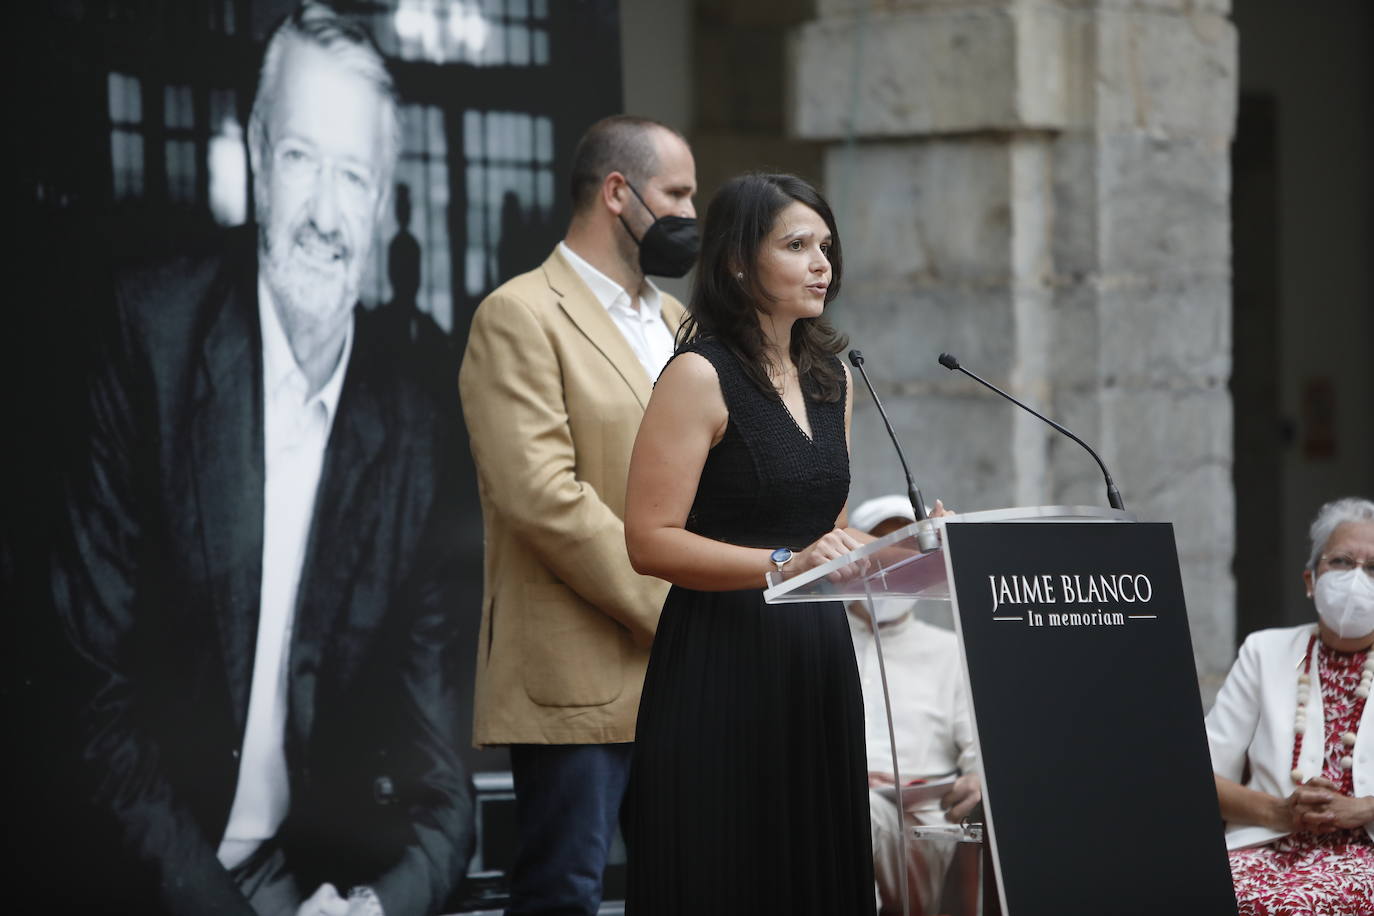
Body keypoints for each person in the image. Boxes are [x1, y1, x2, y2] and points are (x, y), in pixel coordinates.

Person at [50, 5, 474, 914]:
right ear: (254, 156)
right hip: (136, 870)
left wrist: (373, 910)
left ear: (383, 200)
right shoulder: (148, 342)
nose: (324, 212)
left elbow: (445, 784)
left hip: (304, 875)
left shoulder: (413, 430)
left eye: (353, 175)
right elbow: (94, 706)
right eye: (299, 159)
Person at [622, 172, 948, 914]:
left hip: (815, 658)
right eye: (797, 245)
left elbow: (825, 533)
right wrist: (779, 564)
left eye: (826, 245)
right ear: (738, 263)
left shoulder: (833, 377)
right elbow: (649, 540)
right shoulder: (699, 377)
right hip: (720, 659)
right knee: (730, 874)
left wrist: (919, 546)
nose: (821, 263)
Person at [458, 115, 697, 915]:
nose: (692, 214)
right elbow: (543, 496)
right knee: (563, 893)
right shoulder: (518, 314)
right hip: (577, 673)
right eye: (679, 193)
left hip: (680, 676)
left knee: (689, 883)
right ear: (617, 194)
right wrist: (682, 608)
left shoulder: (676, 323)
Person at [1206, 496, 1374, 915]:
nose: (1357, 578)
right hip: (1263, 844)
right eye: (1341, 562)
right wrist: (1281, 812)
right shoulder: (1265, 651)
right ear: (1310, 580)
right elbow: (1200, 776)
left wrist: (1363, 809)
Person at [846, 495, 981, 916]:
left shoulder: (951, 650)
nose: (894, 565)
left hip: (927, 815)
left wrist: (977, 781)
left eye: (906, 551)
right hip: (836, 801)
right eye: (881, 549)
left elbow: (981, 755)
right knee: (850, 810)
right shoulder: (819, 641)